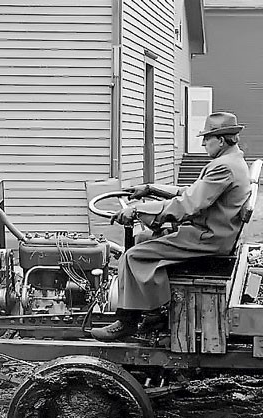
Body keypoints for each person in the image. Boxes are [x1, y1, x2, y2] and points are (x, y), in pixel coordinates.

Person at [91, 112, 251, 340]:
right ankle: (151, 311)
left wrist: (137, 211)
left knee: (132, 256)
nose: (204, 143)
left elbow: (188, 204)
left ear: (221, 140)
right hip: (211, 231)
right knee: (142, 240)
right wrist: (150, 189)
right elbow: (191, 192)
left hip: (207, 237)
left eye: (207, 138)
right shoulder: (231, 162)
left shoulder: (223, 167)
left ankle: (130, 320)